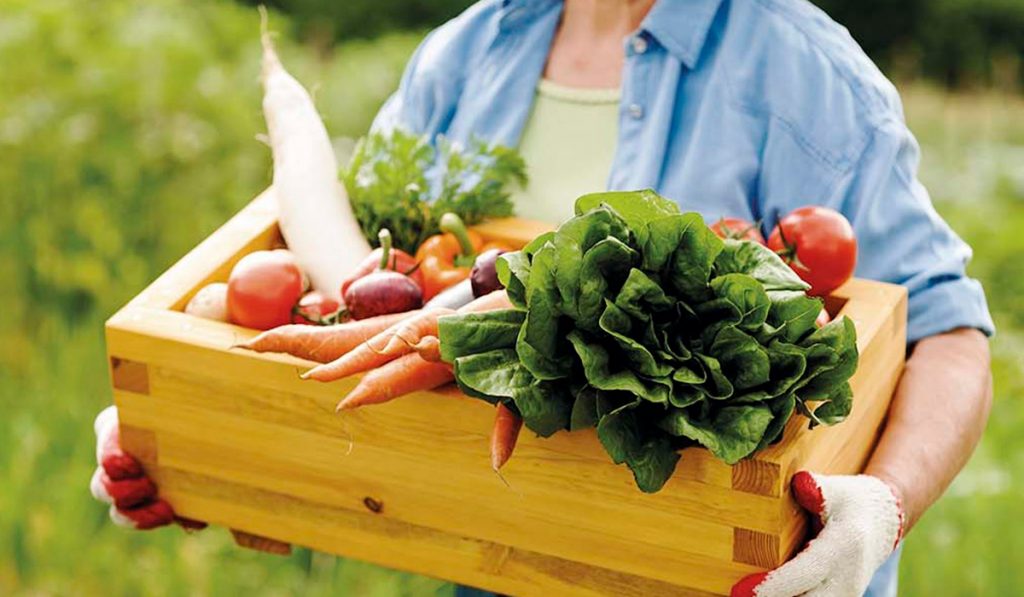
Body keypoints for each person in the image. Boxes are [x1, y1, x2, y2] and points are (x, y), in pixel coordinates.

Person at [90, 0, 995, 595]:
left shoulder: (807, 73)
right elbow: (362, 296)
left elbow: (949, 335)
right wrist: (195, 423)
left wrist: (883, 506)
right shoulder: (466, 53)